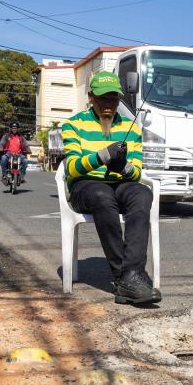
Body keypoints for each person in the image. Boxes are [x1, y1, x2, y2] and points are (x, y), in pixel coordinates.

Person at [61, 72, 158, 305]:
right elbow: (71, 170)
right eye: (103, 98)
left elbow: (136, 172)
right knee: (102, 195)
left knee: (143, 194)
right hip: (86, 186)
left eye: (113, 99)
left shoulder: (131, 128)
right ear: (91, 97)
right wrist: (102, 156)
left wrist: (122, 166)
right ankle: (124, 277)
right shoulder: (73, 125)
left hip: (121, 183)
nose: (108, 104)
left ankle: (132, 275)